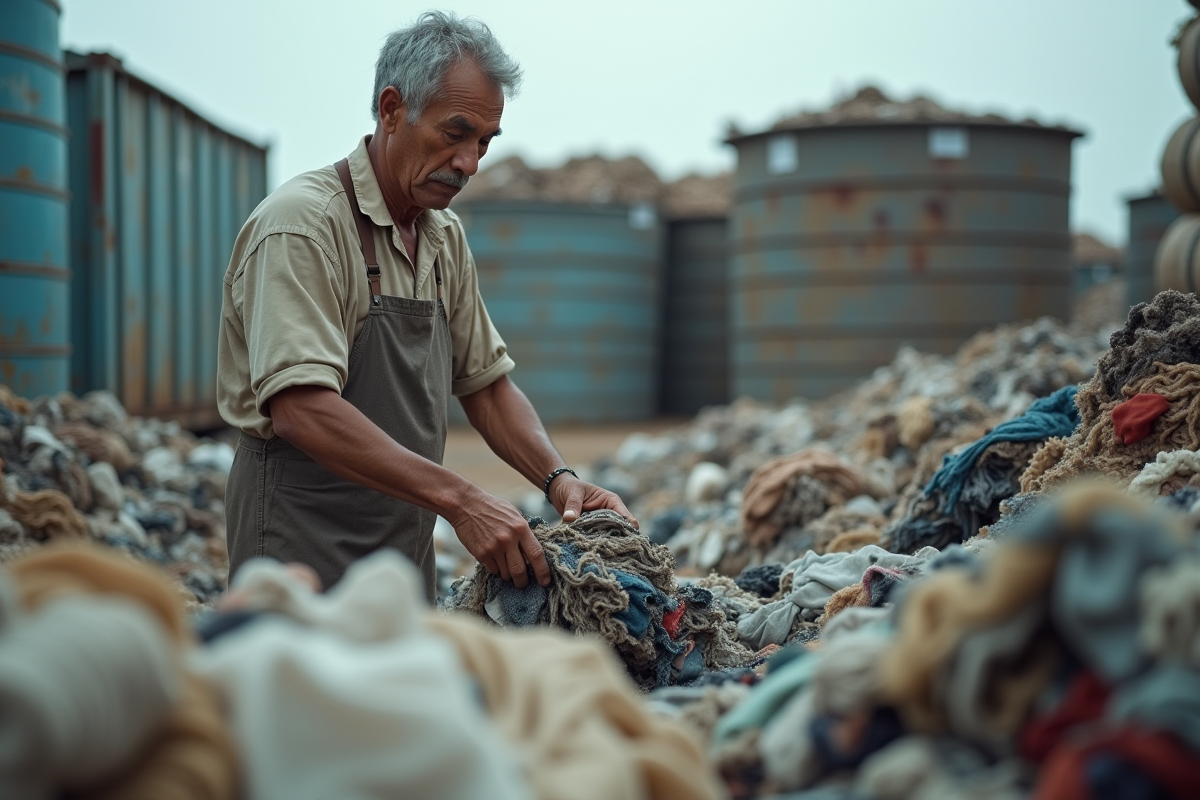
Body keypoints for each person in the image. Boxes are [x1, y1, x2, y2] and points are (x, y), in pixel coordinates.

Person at [217, 11, 635, 602]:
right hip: (300, 546)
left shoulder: (443, 236)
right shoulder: (302, 227)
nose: (469, 162)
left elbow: (487, 388)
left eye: (484, 143)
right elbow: (301, 409)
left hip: (401, 546)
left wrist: (558, 478)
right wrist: (462, 500)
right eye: (454, 133)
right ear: (392, 110)